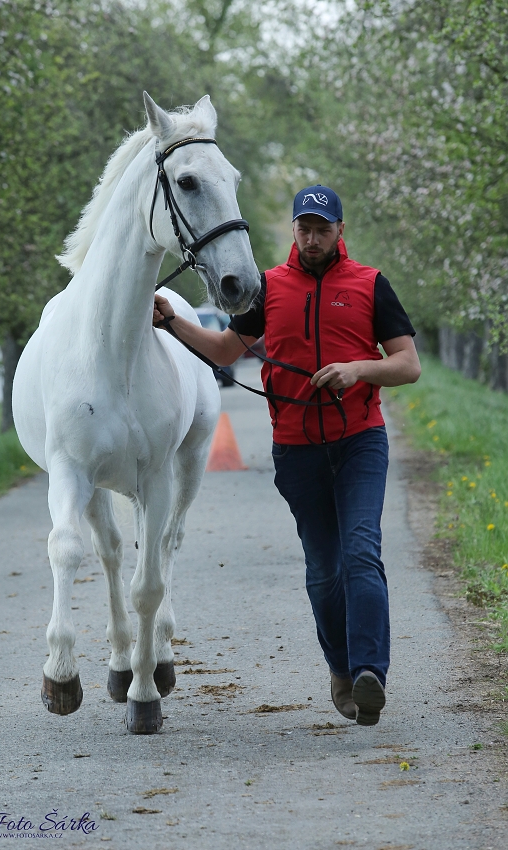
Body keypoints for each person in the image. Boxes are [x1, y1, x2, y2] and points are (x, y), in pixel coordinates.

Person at [153, 185, 421, 726]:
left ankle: (371, 673)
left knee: (362, 552)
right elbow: (227, 350)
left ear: (340, 231)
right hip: (296, 450)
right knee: (325, 570)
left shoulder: (370, 285)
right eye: (305, 227)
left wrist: (358, 369)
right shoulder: (268, 288)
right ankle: (341, 669)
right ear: (293, 230)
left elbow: (408, 364)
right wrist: (172, 322)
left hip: (359, 441)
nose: (313, 237)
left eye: (324, 228)